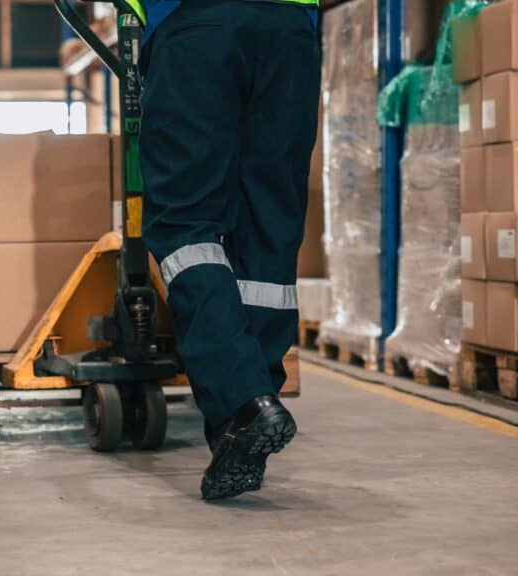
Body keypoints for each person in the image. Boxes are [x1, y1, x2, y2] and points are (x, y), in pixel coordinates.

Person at [131, 0, 321, 500]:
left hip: (197, 25)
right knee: (268, 228)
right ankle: (242, 420)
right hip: (289, 34)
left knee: (185, 227)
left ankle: (243, 404)